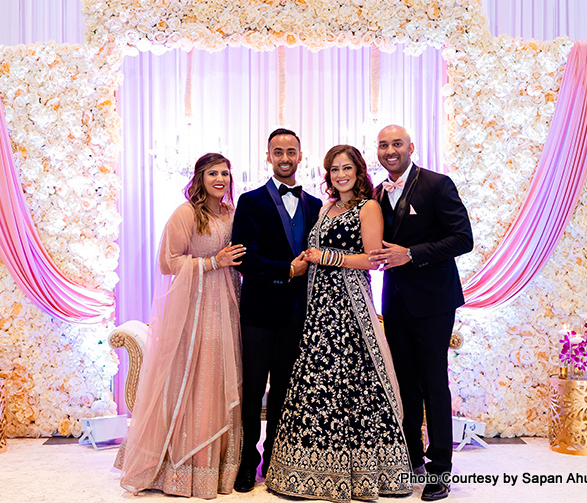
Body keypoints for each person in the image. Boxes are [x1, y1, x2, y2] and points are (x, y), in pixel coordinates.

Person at [265, 145, 412, 503]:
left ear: (358, 171)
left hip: (349, 304)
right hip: (318, 307)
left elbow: (374, 259)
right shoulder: (326, 207)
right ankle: (307, 472)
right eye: (334, 169)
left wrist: (326, 256)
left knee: (356, 383)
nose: (339, 174)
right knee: (316, 381)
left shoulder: (369, 206)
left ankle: (366, 473)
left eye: (346, 168)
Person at [115, 153, 247, 499]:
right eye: (213, 173)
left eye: (225, 173)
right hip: (196, 308)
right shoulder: (187, 213)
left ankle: (218, 468)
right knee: (195, 377)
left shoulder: (232, 213)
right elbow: (167, 262)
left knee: (221, 378)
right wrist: (210, 263)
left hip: (229, 307)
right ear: (200, 177)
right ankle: (181, 467)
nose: (220, 179)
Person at [367, 125, 473, 502]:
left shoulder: (437, 184)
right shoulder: (377, 193)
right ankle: (410, 459)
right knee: (404, 385)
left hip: (433, 303)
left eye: (397, 144)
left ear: (411, 147)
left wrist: (410, 254)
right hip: (395, 302)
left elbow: (463, 239)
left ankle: (439, 470)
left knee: (432, 384)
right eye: (383, 145)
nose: (390, 151)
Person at [230, 128, 322, 492]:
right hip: (258, 313)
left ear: (301, 156)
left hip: (300, 315)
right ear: (268, 157)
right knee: (252, 391)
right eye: (278, 152)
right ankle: (245, 463)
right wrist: (286, 270)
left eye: (291, 151)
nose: (285, 158)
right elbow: (244, 259)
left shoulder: (317, 206)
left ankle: (276, 460)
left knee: (287, 391)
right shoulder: (250, 202)